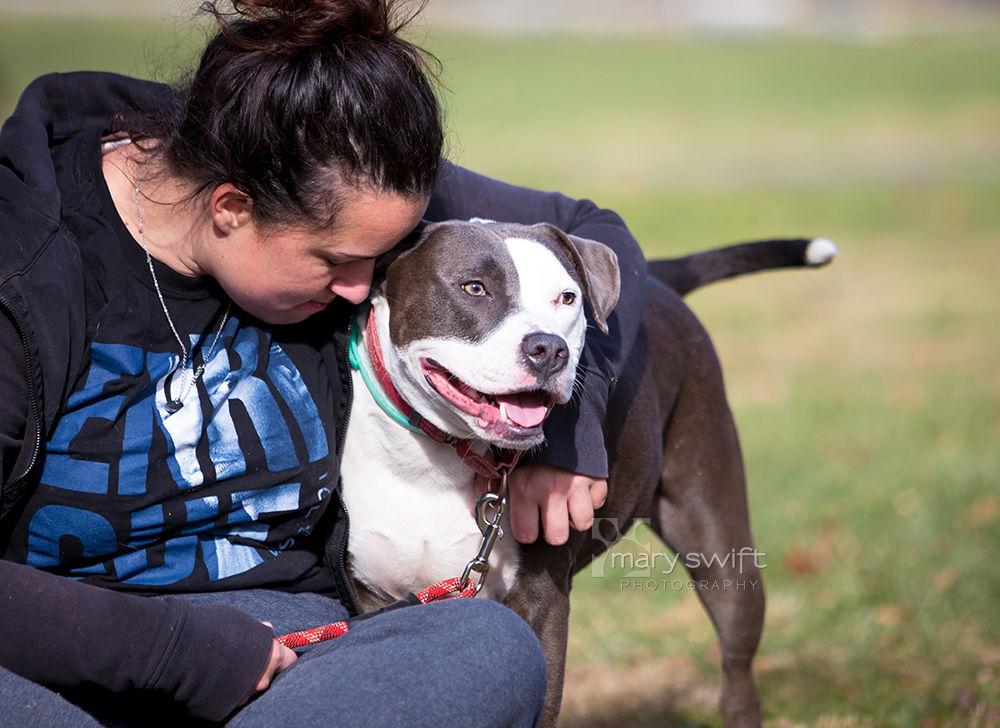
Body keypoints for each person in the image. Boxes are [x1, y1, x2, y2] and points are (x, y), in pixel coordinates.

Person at [0, 0, 646, 725]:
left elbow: (594, 234)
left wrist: (558, 429)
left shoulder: (349, 173)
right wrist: (179, 653)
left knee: (485, 646)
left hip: (290, 650)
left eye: (377, 259)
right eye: (335, 262)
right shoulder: (23, 262)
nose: (362, 289)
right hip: (52, 649)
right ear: (231, 208)